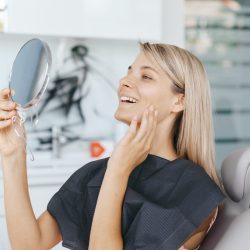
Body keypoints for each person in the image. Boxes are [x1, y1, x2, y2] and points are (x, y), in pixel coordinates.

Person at [0, 42, 226, 250]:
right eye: (129, 70)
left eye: (146, 76)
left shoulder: (195, 191)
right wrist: (12, 154)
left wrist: (118, 171)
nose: (124, 81)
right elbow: (30, 244)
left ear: (180, 101)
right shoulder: (95, 174)